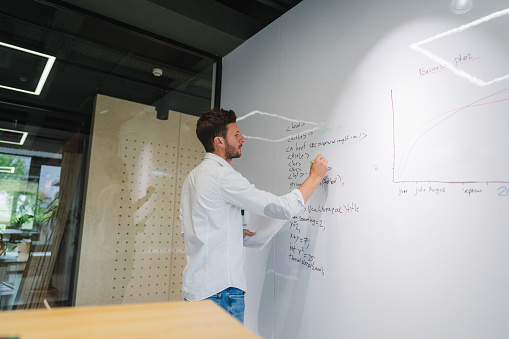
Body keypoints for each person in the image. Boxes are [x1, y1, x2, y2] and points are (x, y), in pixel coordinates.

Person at [180, 108, 328, 323]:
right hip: (220, 294)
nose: (243, 139)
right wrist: (314, 178)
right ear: (219, 142)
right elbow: (281, 208)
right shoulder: (222, 175)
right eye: (236, 135)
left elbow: (191, 230)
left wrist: (230, 232)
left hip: (197, 292)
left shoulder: (193, 178)